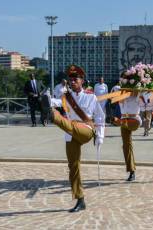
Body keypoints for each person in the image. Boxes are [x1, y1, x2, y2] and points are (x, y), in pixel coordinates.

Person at [47, 65, 105, 213]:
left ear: (82, 81)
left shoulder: (91, 97)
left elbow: (99, 116)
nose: (72, 81)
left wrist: (100, 135)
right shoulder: (66, 97)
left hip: (86, 130)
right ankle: (80, 199)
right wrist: (48, 100)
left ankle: (53, 117)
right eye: (70, 79)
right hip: (71, 132)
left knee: (66, 122)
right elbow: (57, 102)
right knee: (73, 167)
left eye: (75, 79)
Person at [112, 89, 142, 181]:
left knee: (122, 123)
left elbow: (147, 101)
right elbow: (114, 99)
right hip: (124, 119)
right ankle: (131, 171)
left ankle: (118, 122)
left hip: (134, 120)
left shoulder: (136, 95)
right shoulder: (121, 96)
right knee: (126, 146)